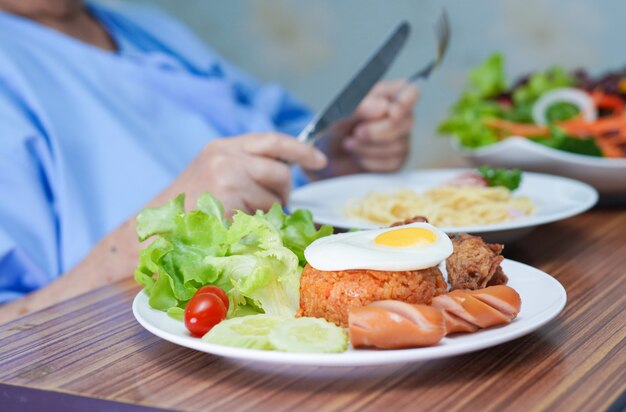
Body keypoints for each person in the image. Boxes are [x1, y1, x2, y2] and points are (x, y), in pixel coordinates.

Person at [0, 0, 418, 323]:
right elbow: (13, 337)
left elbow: (279, 139)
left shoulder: (147, 28)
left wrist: (332, 158)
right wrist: (174, 221)